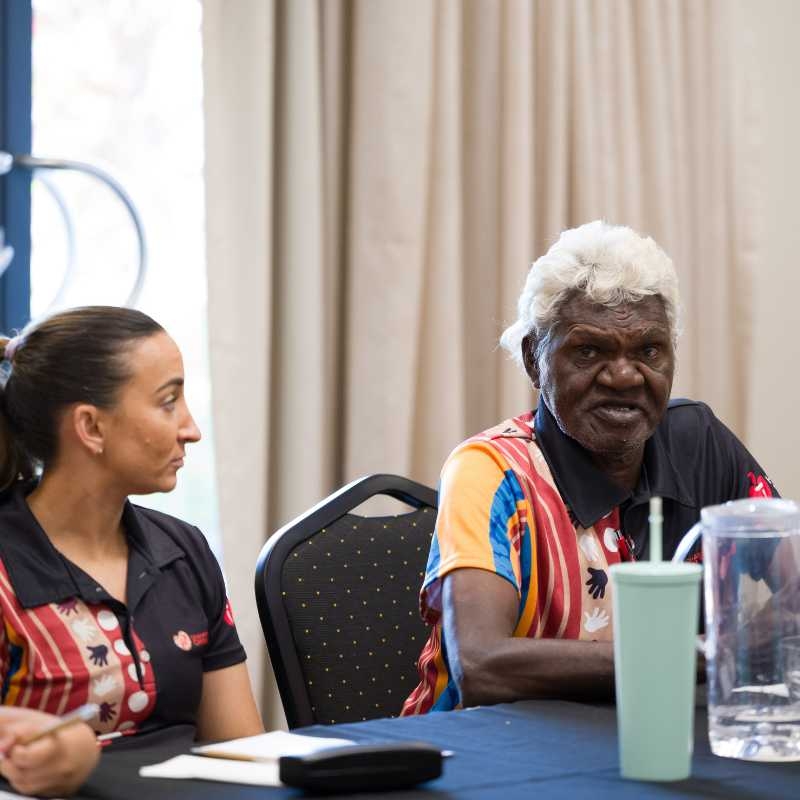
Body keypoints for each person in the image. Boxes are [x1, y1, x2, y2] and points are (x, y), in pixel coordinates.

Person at [401, 221, 778, 716]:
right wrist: (704, 655)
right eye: (589, 351)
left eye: (648, 350)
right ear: (534, 360)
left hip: (653, 732)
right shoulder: (490, 472)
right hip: (487, 746)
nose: (623, 376)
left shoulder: (699, 442)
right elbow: (482, 665)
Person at [0, 307, 263, 796]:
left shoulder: (184, 549)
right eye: (168, 402)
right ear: (91, 427)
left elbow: (243, 752)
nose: (191, 429)